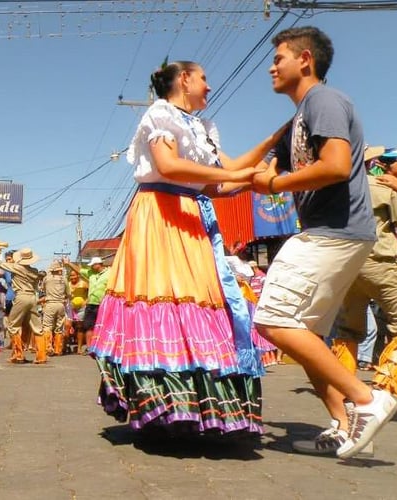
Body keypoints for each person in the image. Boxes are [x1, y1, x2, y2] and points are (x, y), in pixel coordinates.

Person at [88, 58, 287, 439]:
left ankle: (196, 408)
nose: (208, 87)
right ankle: (165, 407)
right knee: (169, 297)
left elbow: (221, 183)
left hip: (193, 216)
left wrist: (269, 147)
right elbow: (170, 165)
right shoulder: (160, 115)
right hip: (162, 213)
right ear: (184, 79)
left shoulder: (203, 127)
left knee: (204, 300)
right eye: (204, 78)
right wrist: (237, 175)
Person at [251, 26, 397, 459]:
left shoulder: (324, 101)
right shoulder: (298, 118)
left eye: (279, 58)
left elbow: (334, 166)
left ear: (306, 60)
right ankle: (345, 422)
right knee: (307, 332)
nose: (271, 67)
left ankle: (368, 401)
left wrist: (275, 181)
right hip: (335, 232)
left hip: (332, 231)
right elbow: (246, 172)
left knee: (273, 319)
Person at [328, 145, 397, 428]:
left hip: (344, 267)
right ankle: (386, 391)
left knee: (348, 332)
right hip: (378, 264)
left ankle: (343, 394)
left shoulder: (333, 189)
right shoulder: (381, 187)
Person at [0, 245, 44, 364]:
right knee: (37, 328)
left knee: (13, 326)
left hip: (21, 296)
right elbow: (36, 285)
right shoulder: (34, 271)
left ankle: (18, 354)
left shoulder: (16, 267)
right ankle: (41, 356)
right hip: (32, 297)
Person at [64, 256, 108, 350]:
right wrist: (69, 263)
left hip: (103, 304)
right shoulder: (90, 273)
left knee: (102, 326)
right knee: (88, 326)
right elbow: (79, 270)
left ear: (98, 265)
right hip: (91, 304)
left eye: (92, 265)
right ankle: (89, 347)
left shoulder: (109, 273)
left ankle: (102, 346)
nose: (91, 267)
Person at [41, 261, 69, 356]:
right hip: (60, 304)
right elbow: (68, 293)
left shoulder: (47, 279)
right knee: (59, 327)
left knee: (47, 326)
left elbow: (43, 289)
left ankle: (48, 347)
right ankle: (58, 349)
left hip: (50, 303)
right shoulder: (64, 279)